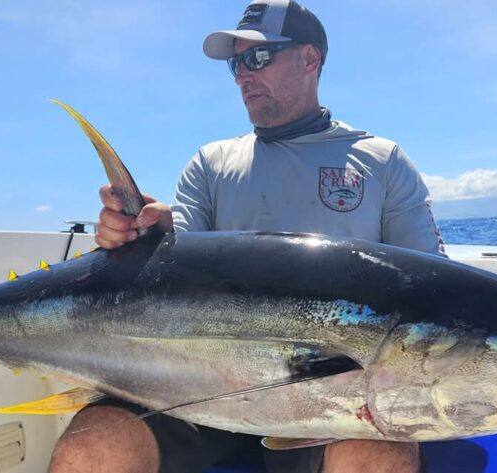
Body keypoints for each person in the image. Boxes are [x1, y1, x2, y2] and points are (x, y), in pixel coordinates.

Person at [49, 1, 444, 472]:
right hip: (204, 390)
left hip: (336, 399)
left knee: (376, 456)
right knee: (92, 447)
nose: (242, 75)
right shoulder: (211, 164)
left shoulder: (381, 162)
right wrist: (142, 234)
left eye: (257, 57)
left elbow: (434, 293)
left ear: (309, 58)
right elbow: (171, 271)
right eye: (235, 63)